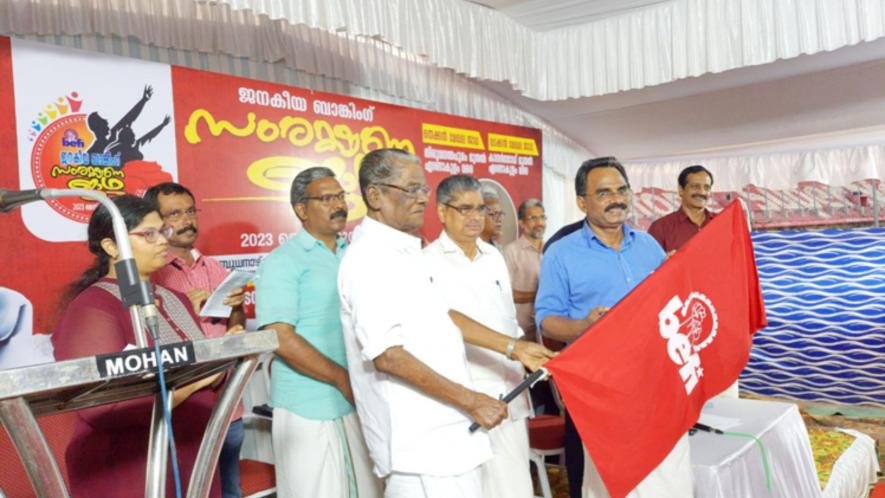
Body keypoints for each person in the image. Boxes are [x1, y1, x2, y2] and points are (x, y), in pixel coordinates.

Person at [337, 148, 555, 498]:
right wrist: (470, 399)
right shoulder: (369, 259)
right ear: (374, 194)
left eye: (423, 188)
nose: (422, 198)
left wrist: (514, 347)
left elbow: (445, 315)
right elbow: (387, 355)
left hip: (449, 437)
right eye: (411, 189)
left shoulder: (404, 252)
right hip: (420, 447)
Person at [52, 195, 234, 498]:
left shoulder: (174, 298)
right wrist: (191, 386)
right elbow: (101, 407)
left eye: (163, 231)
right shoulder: (93, 309)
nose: (163, 241)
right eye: (148, 234)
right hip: (128, 469)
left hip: (191, 456)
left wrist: (226, 357)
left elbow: (206, 375)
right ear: (111, 247)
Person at [535, 157, 693, 498]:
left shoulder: (649, 246)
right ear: (582, 202)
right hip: (595, 387)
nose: (616, 199)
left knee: (658, 474)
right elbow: (546, 319)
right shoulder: (560, 254)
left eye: (622, 190)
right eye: (604, 192)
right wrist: (582, 326)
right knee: (598, 478)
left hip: (653, 379)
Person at [254, 167, 381, 498]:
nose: (338, 205)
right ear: (301, 209)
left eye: (340, 196)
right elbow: (280, 337)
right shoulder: (283, 261)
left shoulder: (355, 255)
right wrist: (341, 378)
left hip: (359, 397)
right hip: (308, 405)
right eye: (326, 198)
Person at [423, 175, 533, 498]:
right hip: (464, 401)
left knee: (516, 489)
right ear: (442, 212)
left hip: (509, 393)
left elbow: (508, 319)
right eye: (465, 209)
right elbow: (444, 325)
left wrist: (521, 355)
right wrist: (513, 347)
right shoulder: (426, 263)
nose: (475, 217)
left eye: (481, 209)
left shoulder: (494, 257)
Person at [145, 182, 246, 498]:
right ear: (155, 222)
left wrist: (237, 316)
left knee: (230, 492)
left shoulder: (212, 266)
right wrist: (182, 304)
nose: (187, 220)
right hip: (184, 410)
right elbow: (146, 339)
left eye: (190, 210)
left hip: (230, 407)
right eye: (174, 213)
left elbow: (236, 321)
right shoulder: (153, 274)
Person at [503, 198, 546, 341]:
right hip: (520, 333)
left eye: (542, 217)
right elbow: (505, 294)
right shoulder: (511, 251)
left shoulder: (552, 250)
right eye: (533, 218)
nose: (539, 223)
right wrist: (540, 296)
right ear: (522, 223)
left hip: (546, 333)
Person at [647, 165, 716, 253]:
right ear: (681, 190)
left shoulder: (721, 223)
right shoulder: (660, 228)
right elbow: (649, 264)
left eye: (707, 188)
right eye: (695, 186)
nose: (702, 192)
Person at [479, 184, 504, 248]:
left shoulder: (497, 248)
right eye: (494, 214)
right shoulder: (468, 249)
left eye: (500, 214)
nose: (499, 219)